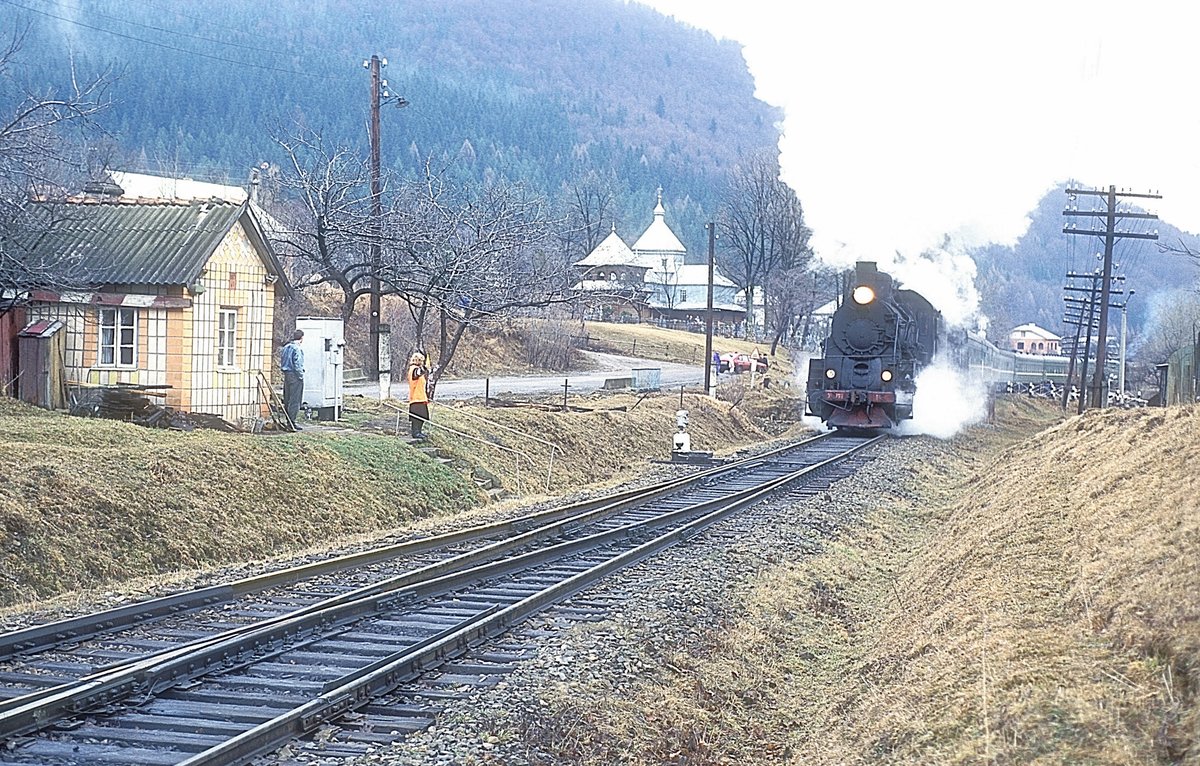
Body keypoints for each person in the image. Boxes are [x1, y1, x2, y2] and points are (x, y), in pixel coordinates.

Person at [280, 329, 305, 429]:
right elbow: (297, 364)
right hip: (295, 375)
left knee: (287, 398)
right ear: (301, 338)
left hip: (287, 374)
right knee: (295, 400)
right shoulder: (297, 349)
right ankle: (292, 422)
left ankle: (288, 421)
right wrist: (301, 376)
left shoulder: (286, 347)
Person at [407, 351, 431, 440]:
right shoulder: (413, 369)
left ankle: (419, 432)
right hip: (416, 398)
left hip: (421, 397)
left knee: (422, 416)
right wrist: (425, 367)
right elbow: (418, 373)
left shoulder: (415, 369)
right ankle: (415, 432)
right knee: (416, 417)